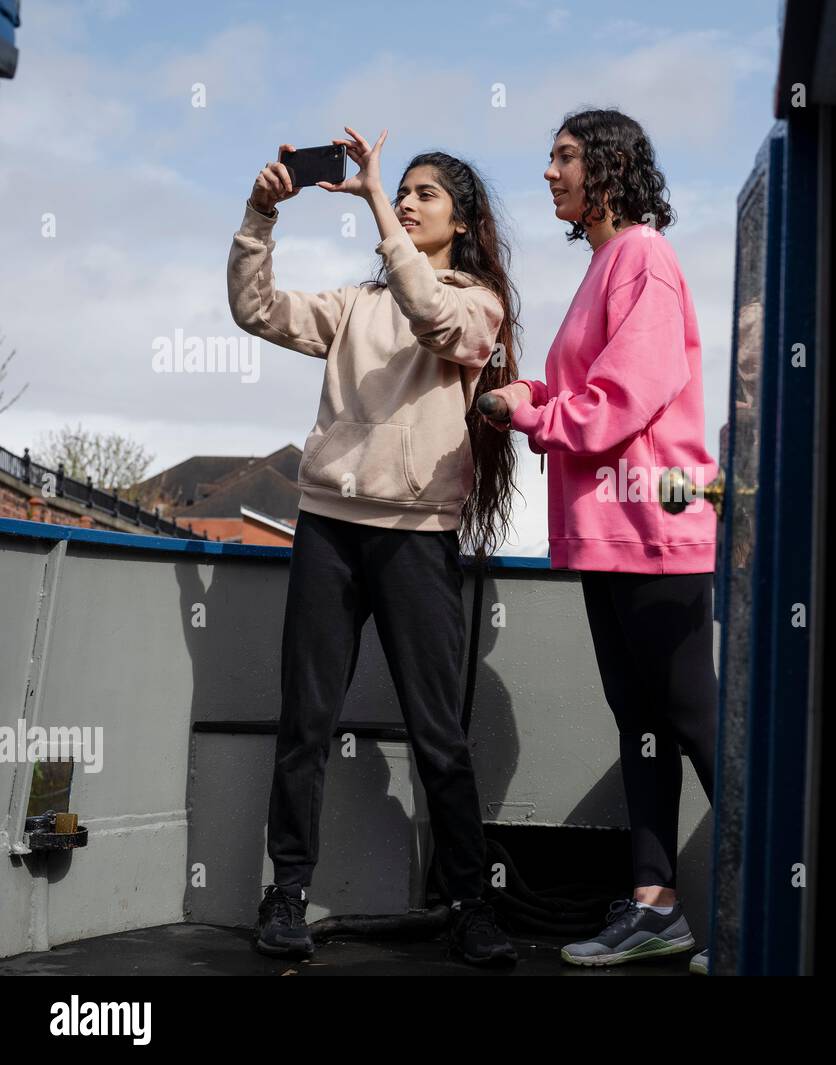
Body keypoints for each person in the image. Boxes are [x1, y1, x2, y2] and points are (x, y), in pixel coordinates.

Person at [228, 127, 520, 966]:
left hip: (417, 540)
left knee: (437, 733)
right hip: (328, 529)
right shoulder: (355, 305)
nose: (406, 199)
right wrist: (260, 213)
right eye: (404, 190)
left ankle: (470, 903)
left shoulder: (478, 302)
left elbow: (435, 319)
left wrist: (376, 205)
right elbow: (255, 308)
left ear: (459, 222)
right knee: (306, 724)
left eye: (425, 193)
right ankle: (286, 893)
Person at [482, 108, 718, 973]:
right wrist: (525, 392)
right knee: (644, 722)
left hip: (654, 527)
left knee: (697, 719)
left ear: (610, 171)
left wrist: (537, 416)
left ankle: (786, 893)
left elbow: (629, 393)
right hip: (606, 537)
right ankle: (656, 905)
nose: (549, 172)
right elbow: (587, 384)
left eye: (566, 157)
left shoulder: (642, 257)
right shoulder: (603, 266)